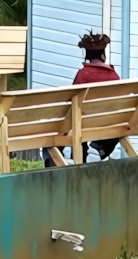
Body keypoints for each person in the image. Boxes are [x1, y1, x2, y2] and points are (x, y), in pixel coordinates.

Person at [46, 31, 121, 166]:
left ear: (87, 56)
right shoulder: (114, 76)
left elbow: (71, 102)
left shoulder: (82, 75)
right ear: (103, 55)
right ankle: (98, 151)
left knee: (70, 126)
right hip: (108, 124)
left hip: (83, 125)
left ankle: (62, 160)